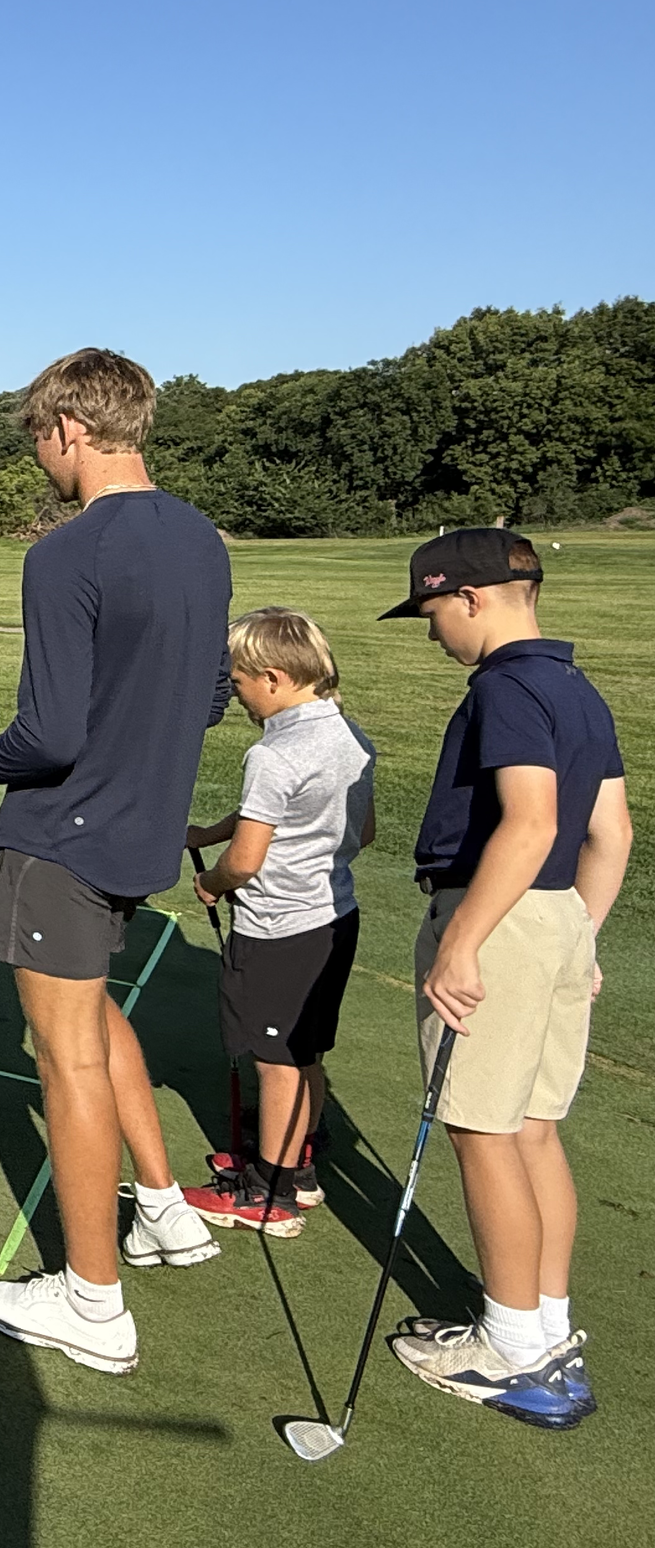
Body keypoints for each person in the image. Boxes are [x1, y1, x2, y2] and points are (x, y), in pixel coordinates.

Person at [0, 348, 231, 1374]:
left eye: (36, 436)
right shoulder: (202, 538)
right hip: (138, 834)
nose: (37, 457)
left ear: (68, 426)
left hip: (61, 836)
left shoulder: (63, 553)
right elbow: (205, 700)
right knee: (95, 1017)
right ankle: (164, 1209)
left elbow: (49, 733)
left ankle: (91, 1305)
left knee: (61, 1055)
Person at [379, 530, 628, 1429]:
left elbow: (527, 824)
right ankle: (545, 1325)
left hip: (500, 916)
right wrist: (582, 942)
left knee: (482, 1131)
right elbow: (613, 834)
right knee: (532, 1131)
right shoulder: (576, 685)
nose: (432, 630)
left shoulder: (505, 688)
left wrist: (464, 942)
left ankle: (511, 1345)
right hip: (558, 918)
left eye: (433, 610)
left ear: (474, 597)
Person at [182, 607, 375, 1237]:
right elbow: (360, 831)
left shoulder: (273, 753)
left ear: (271, 678)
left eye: (237, 683)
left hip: (279, 927)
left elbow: (244, 861)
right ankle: (301, 1166)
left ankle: (268, 1193)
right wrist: (208, 832)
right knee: (306, 1050)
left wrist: (210, 882)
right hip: (335, 915)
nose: (234, 695)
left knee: (276, 1059)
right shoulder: (350, 735)